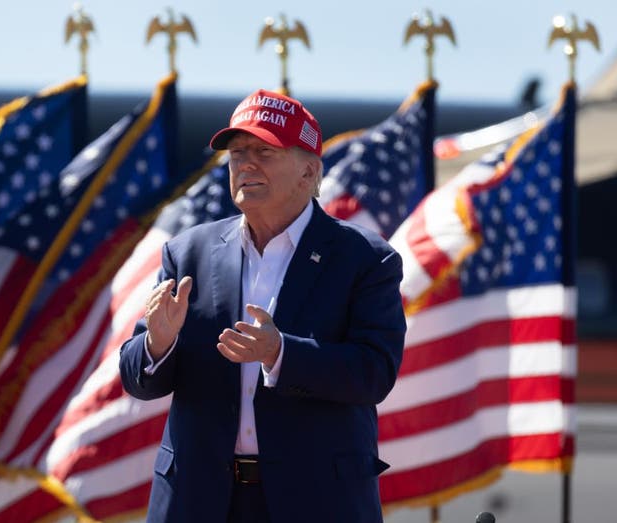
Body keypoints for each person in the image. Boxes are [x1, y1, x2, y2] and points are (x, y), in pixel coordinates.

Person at [119, 88, 406, 523]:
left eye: (263, 151)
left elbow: (374, 373)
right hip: (198, 501)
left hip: (316, 502)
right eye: (237, 153)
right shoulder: (188, 253)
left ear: (309, 172)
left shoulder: (366, 259)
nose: (245, 163)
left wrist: (280, 353)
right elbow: (138, 378)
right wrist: (158, 343)